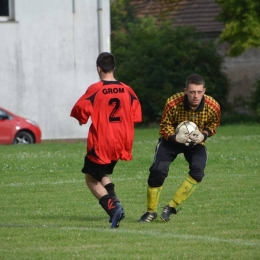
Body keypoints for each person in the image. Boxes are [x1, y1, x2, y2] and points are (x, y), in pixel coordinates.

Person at [70, 52, 142, 228]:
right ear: (114, 68)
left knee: (91, 179)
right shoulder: (127, 89)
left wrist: (83, 119)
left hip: (102, 141)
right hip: (122, 142)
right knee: (101, 173)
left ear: (98, 69)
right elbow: (136, 115)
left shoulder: (95, 89)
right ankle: (115, 202)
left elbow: (80, 110)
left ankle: (113, 209)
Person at [138, 74, 220, 223]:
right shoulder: (172, 102)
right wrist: (175, 138)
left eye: (199, 92)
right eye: (192, 92)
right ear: (185, 91)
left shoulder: (213, 106)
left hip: (196, 142)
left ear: (204, 91)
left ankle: (171, 207)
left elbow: (213, 124)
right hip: (171, 141)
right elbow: (164, 126)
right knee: (158, 170)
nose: (196, 96)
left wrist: (204, 135)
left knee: (198, 171)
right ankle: (150, 211)